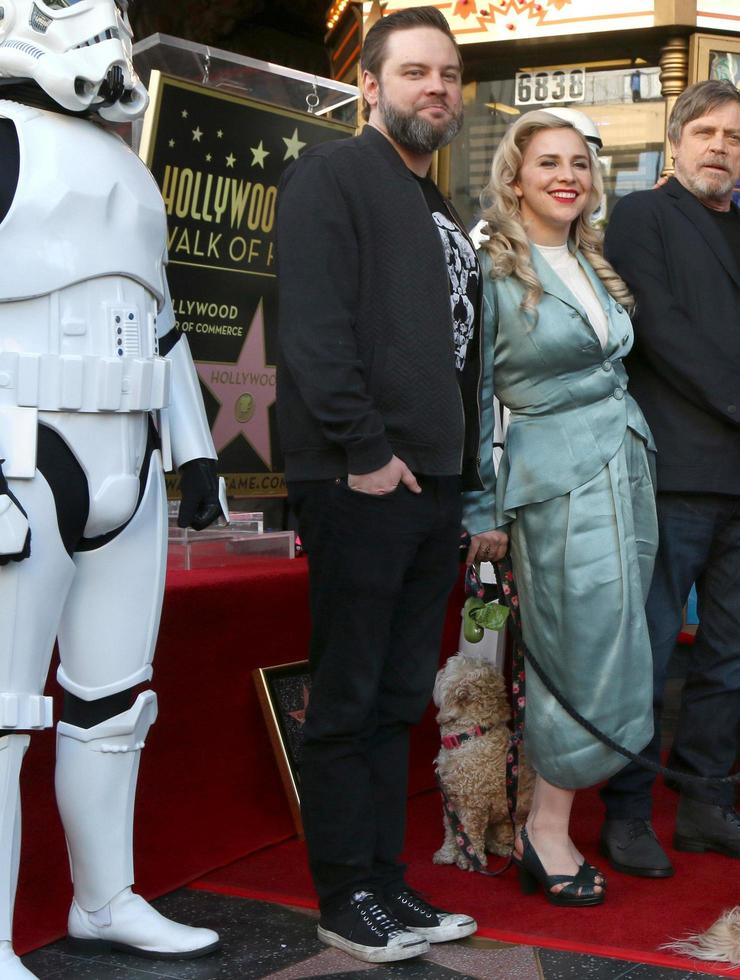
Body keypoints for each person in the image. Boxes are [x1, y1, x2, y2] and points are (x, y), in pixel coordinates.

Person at [0, 3, 225, 975]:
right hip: (24, 450)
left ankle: (105, 896)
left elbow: (161, 321)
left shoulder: (127, 167)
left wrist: (195, 449)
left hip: (132, 462)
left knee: (114, 702)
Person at [275, 7, 482, 964]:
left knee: (400, 697)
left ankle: (385, 883)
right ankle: (342, 895)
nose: (434, 87)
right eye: (414, 73)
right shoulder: (332, 176)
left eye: (447, 74)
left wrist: (463, 480)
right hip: (360, 480)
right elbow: (313, 332)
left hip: (432, 486)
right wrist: (363, 453)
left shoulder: (437, 204)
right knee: (351, 695)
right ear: (371, 85)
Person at [596, 80, 740, 877]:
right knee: (650, 653)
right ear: (677, 137)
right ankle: (624, 814)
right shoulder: (640, 216)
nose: (720, 146)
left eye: (735, 136)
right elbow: (657, 327)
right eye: (707, 132)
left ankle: (701, 805)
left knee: (732, 654)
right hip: (678, 472)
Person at [462, 110, 655, 907]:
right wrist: (480, 509)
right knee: (572, 649)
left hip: (626, 468)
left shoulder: (590, 262)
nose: (567, 175)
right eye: (548, 163)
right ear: (515, 177)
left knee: (618, 639)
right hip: (553, 482)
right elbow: (473, 401)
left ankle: (558, 813)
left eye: (578, 162)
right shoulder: (490, 270)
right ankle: (548, 828)